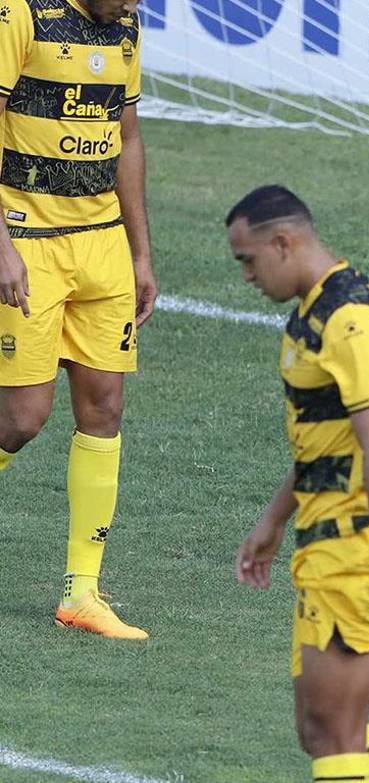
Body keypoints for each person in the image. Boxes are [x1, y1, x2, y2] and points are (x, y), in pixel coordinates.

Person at [229, 186, 369, 783]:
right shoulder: (313, 314)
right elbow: (323, 441)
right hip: (325, 542)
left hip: (357, 546)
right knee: (319, 729)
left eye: (248, 259)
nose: (246, 274)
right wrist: (274, 519)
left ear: (283, 242)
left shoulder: (352, 320)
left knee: (338, 735)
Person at [0, 0, 156, 638]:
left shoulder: (125, 27)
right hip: (28, 241)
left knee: (105, 408)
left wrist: (141, 252)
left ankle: (81, 594)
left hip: (103, 245)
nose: (138, 2)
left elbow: (129, 137)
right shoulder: (20, 16)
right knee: (22, 420)